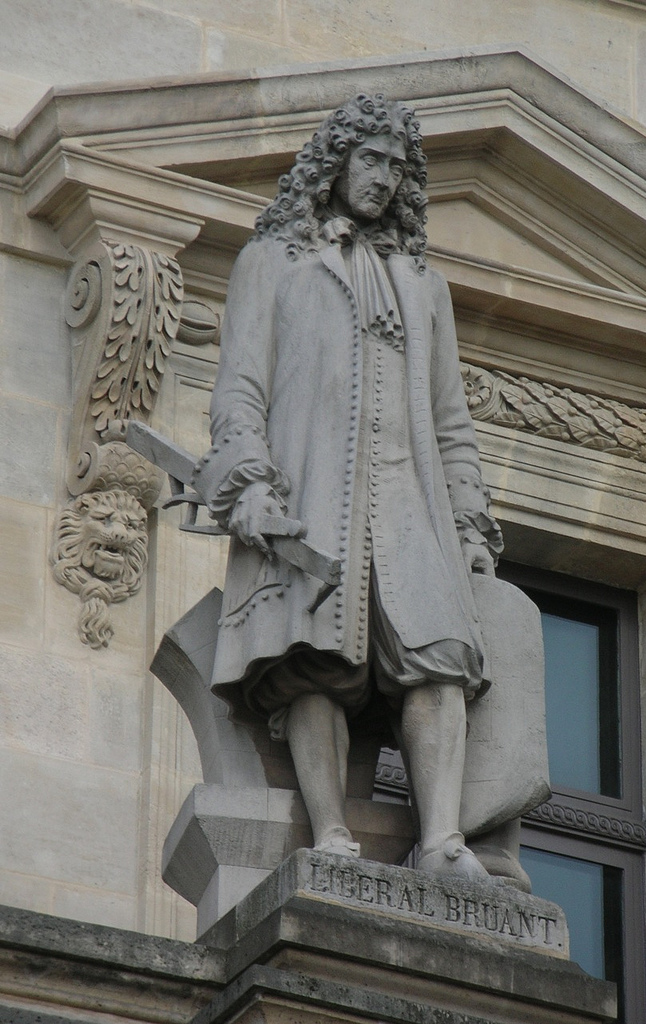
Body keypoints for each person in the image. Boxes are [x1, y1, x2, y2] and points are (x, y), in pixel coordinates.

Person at [192, 94, 503, 881]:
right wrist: (249, 484)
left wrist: (469, 524)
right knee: (313, 659)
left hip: (409, 503)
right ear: (334, 164)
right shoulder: (273, 261)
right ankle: (330, 833)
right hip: (311, 496)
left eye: (397, 167)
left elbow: (452, 420)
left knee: (442, 656)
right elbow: (240, 391)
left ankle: (442, 839)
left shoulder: (424, 285)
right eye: (371, 159)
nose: (383, 178)